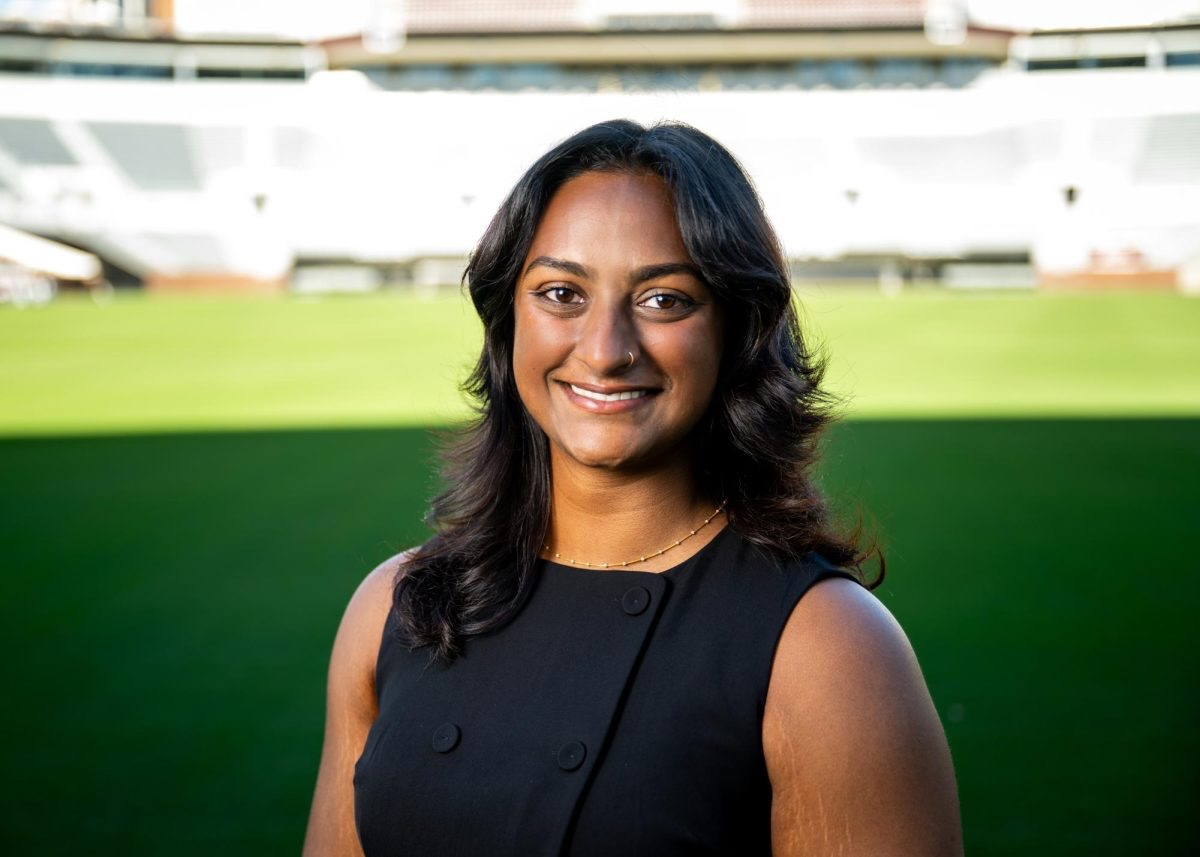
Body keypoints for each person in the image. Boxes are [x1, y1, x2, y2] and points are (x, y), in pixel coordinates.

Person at [303, 119, 962, 857]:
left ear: (736, 329)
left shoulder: (827, 649)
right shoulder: (392, 608)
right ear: (507, 319)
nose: (606, 350)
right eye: (561, 292)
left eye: (664, 300)